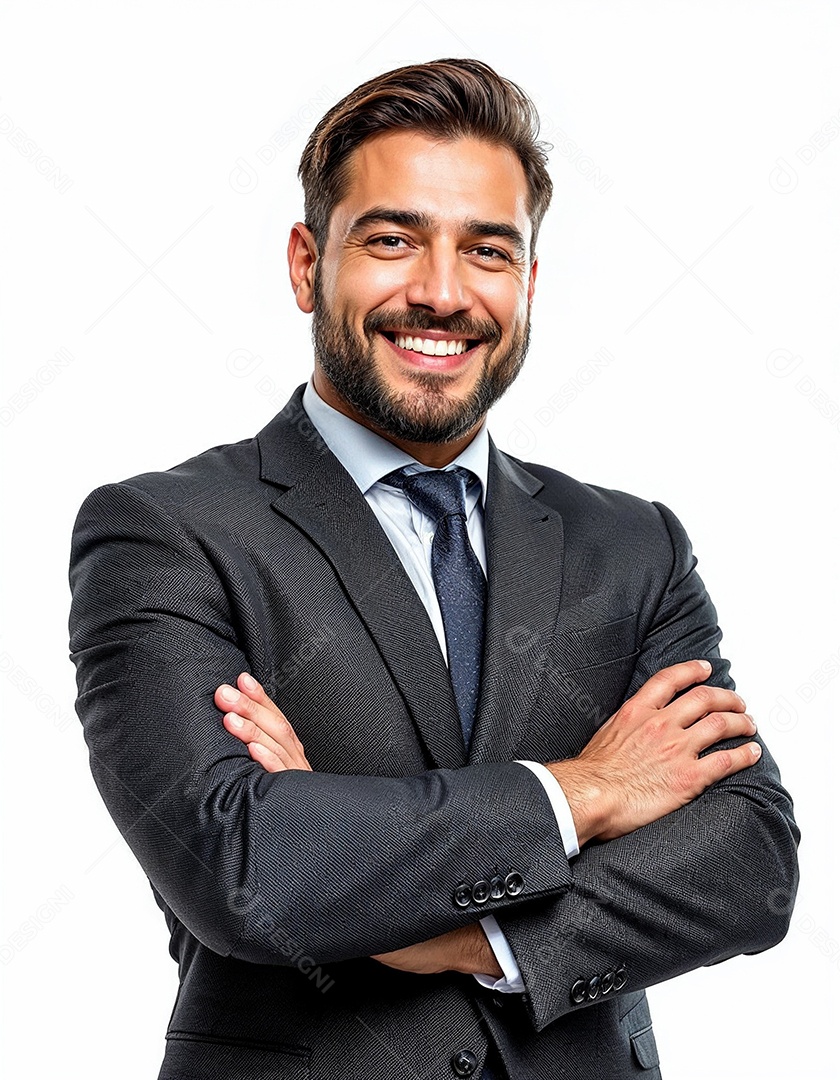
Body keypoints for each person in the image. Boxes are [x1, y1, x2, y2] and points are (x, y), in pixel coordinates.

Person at [68, 58, 799, 1080]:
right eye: (393, 239)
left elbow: (749, 866)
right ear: (305, 263)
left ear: (530, 284)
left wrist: (462, 936)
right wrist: (585, 792)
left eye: (487, 251)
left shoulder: (634, 547)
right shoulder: (166, 532)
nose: (442, 292)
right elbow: (239, 865)